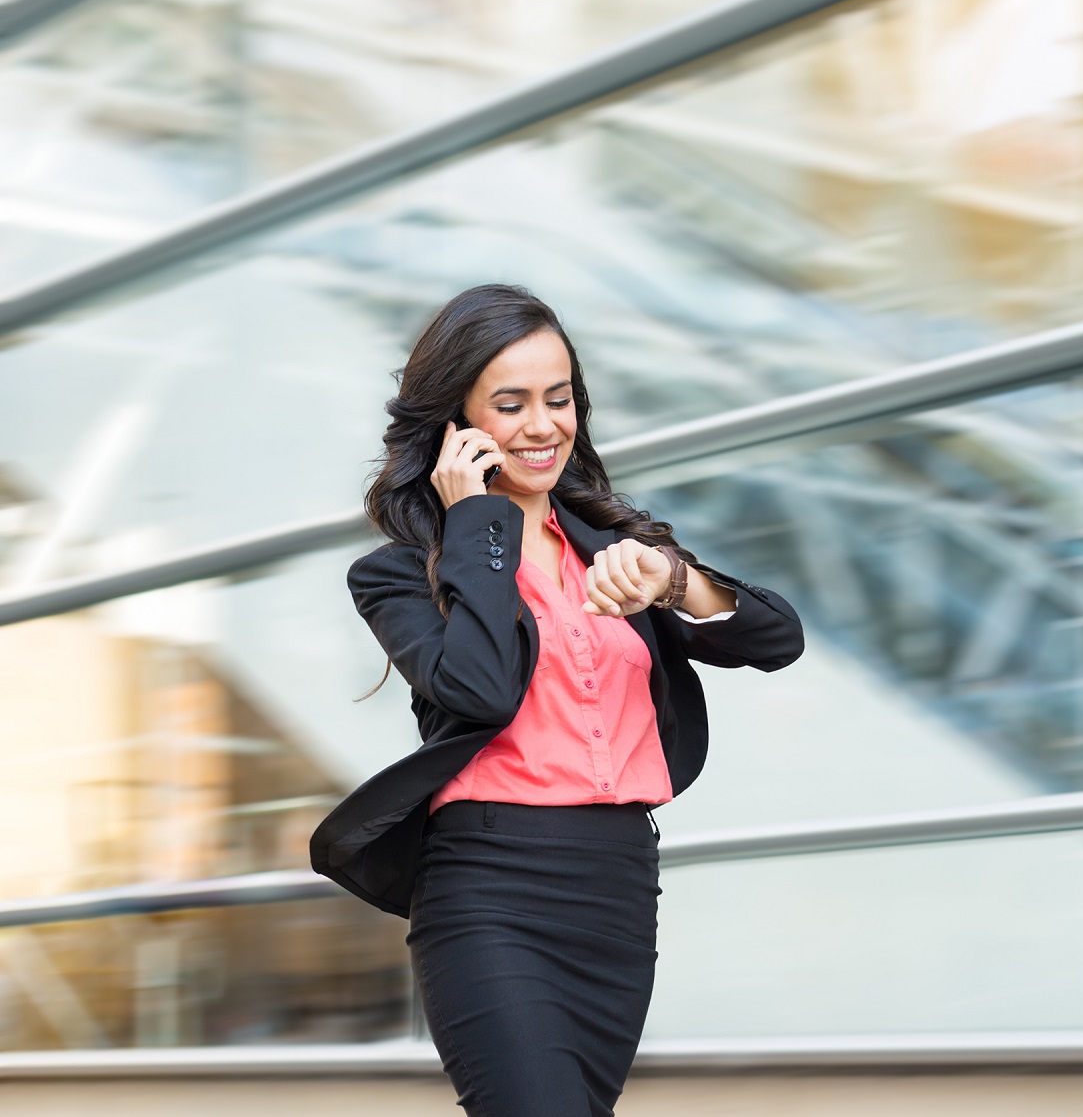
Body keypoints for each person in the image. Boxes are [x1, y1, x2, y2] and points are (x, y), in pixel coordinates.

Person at [310, 283, 805, 1116]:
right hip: (488, 887)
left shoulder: (615, 551)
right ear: (456, 425)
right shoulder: (400, 573)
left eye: (559, 397)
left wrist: (677, 582)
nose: (543, 426)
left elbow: (776, 639)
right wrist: (477, 525)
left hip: (614, 886)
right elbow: (480, 688)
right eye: (510, 404)